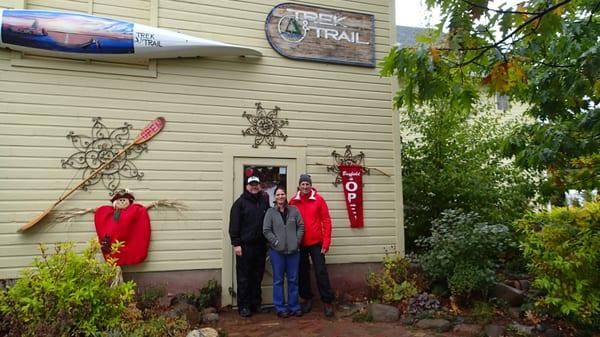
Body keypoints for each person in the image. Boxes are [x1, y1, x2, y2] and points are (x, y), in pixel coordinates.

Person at [289, 174, 335, 317]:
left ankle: (327, 302)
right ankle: (307, 299)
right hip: (300, 243)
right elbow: (289, 224)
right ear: (299, 186)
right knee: (302, 272)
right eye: (302, 184)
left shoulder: (318, 199)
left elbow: (326, 220)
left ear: (310, 185)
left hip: (317, 243)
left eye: (307, 184)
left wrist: (326, 241)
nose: (305, 187)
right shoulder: (293, 201)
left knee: (321, 271)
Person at [229, 176, 270, 317]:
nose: (254, 187)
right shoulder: (239, 204)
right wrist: (236, 244)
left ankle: (256, 304)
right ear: (246, 186)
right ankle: (244, 306)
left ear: (259, 186)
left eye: (256, 184)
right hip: (244, 247)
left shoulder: (264, 202)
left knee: (257, 277)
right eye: (251, 184)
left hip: (260, 246)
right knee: (244, 278)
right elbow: (234, 225)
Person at [263, 186, 305, 318]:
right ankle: (280, 308)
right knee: (278, 280)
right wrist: (275, 242)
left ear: (286, 196)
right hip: (277, 253)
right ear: (275, 197)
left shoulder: (294, 210)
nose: (280, 197)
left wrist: (296, 241)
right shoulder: (270, 212)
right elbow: (266, 230)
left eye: (282, 194)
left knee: (293, 280)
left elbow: (301, 226)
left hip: (293, 252)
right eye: (278, 195)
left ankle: (294, 306)